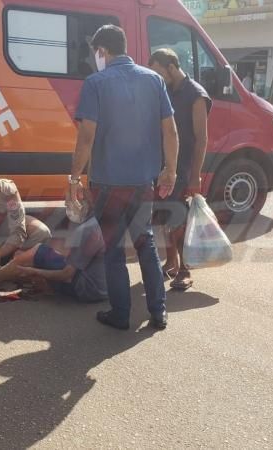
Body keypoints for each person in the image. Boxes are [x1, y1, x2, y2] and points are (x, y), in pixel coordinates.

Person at [69, 25, 180, 331]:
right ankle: (158, 313)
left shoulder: (95, 83)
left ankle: (120, 314)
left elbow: (86, 137)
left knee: (114, 250)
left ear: (102, 51)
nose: (96, 58)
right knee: (146, 243)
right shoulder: (155, 80)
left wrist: (74, 178)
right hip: (143, 182)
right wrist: (170, 170)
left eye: (96, 53)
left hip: (107, 184)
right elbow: (170, 130)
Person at [148, 48, 212, 291]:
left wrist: (195, 175)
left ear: (171, 68)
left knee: (179, 218)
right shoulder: (166, 90)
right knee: (165, 216)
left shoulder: (195, 94)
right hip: (164, 165)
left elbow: (202, 139)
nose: (156, 77)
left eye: (158, 72)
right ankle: (171, 262)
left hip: (183, 168)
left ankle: (185, 269)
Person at [0, 217, 107, 304]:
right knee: (27, 254)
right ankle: (17, 274)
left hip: (88, 288)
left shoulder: (89, 229)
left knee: (38, 251)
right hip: (105, 288)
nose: (67, 204)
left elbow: (66, 275)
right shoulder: (111, 222)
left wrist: (34, 271)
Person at [0, 168, 52, 263]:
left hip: (2, 226)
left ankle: (14, 263)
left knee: (42, 232)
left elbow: (18, 231)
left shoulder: (8, 192)